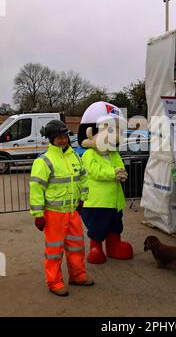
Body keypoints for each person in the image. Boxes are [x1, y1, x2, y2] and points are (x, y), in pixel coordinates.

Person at [29, 120, 94, 296]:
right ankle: (54, 282)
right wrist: (38, 214)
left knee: (76, 247)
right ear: (50, 139)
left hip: (73, 211)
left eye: (64, 136)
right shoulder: (44, 161)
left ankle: (78, 276)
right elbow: (36, 188)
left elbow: (83, 178)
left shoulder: (75, 156)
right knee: (54, 251)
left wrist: (83, 198)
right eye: (58, 137)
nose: (62, 140)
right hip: (54, 214)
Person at [77, 101, 133, 264]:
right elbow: (96, 172)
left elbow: (120, 166)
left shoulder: (114, 154)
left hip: (115, 201)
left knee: (115, 224)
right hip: (97, 202)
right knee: (98, 227)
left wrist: (122, 173)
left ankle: (114, 245)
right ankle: (96, 248)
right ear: (90, 132)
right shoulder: (88, 155)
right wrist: (114, 174)